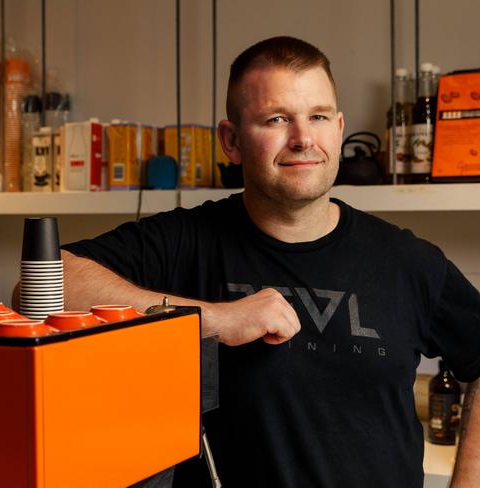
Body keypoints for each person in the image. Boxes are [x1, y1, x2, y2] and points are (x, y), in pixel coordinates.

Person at [61, 36, 480, 487]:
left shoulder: (408, 261)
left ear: (339, 129)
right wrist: (212, 320)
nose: (303, 139)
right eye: (276, 119)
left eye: (318, 117)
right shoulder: (185, 241)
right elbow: (45, 281)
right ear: (231, 140)